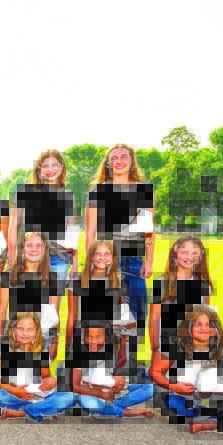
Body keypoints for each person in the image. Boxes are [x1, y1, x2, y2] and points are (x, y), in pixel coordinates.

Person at [149, 306, 223, 434]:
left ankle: (213, 423)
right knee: (175, 406)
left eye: (210, 325)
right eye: (198, 324)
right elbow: (154, 372)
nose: (204, 329)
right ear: (188, 327)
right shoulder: (172, 346)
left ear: (216, 328)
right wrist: (175, 386)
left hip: (214, 398)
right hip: (179, 395)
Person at [85, 144, 155, 337]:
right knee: (106, 316)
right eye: (114, 158)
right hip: (106, 260)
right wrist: (90, 264)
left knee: (137, 316)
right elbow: (90, 232)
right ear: (108, 164)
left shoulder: (144, 191)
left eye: (124, 156)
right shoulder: (98, 192)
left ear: (132, 161)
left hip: (134, 259)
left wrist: (149, 261)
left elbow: (149, 231)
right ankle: (109, 355)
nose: (119, 161)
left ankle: (130, 356)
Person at [0, 311, 76, 421]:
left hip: (35, 395)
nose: (25, 333)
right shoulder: (5, 347)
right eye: (20, 329)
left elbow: (45, 376)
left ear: (37, 331)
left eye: (30, 329)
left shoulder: (41, 349)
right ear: (13, 329)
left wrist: (52, 380)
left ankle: (22, 412)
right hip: (11, 392)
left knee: (69, 397)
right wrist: (13, 390)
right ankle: (41, 410)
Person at [9, 150, 79, 281]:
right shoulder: (25, 191)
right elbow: (13, 227)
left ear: (62, 166)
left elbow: (71, 233)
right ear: (39, 169)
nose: (50, 169)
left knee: (54, 295)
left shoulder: (68, 196)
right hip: (29, 256)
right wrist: (12, 259)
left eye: (54, 165)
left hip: (58, 258)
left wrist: (75, 264)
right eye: (46, 166)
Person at [0, 232, 65, 361]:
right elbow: (1, 311)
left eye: (38, 246)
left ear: (45, 249)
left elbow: (54, 315)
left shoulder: (52, 279)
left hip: (41, 337)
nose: (34, 249)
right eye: (29, 245)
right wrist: (0, 340)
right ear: (22, 248)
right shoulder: (9, 277)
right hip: (15, 336)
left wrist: (55, 342)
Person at [66, 240, 133, 368]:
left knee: (104, 377)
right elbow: (72, 316)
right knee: (79, 376)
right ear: (91, 257)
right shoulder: (77, 281)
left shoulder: (118, 282)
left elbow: (123, 318)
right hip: (84, 337)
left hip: (109, 339)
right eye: (98, 254)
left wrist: (123, 348)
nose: (102, 258)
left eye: (107, 254)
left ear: (113, 258)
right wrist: (68, 345)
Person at [69, 320, 155, 419]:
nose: (93, 341)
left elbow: (112, 372)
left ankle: (110, 408)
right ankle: (117, 410)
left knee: (149, 388)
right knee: (92, 404)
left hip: (109, 389)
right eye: (89, 337)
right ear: (83, 336)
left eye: (99, 337)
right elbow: (75, 386)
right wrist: (103, 394)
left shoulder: (106, 350)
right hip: (87, 394)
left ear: (105, 338)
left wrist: (119, 377)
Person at [149, 235, 214, 360]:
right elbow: (154, 318)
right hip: (167, 346)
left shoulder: (203, 285)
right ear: (175, 253)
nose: (189, 257)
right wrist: (155, 349)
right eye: (185, 252)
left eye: (194, 253)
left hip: (193, 347)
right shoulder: (161, 283)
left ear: (200, 257)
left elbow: (206, 319)